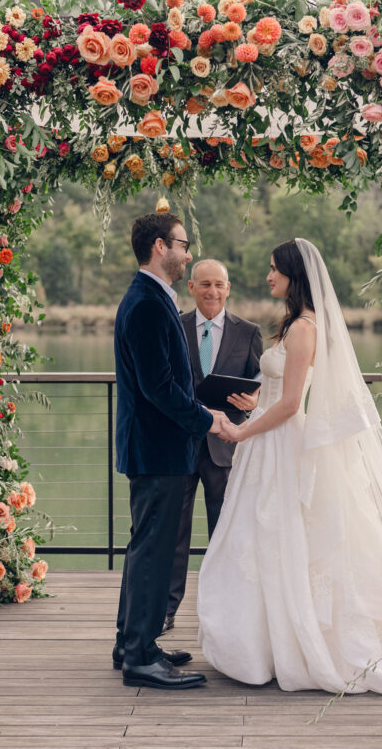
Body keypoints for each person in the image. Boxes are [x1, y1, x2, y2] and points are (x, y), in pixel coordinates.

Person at [197, 238, 382, 694]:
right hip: (269, 439)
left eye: (275, 270)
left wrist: (240, 430)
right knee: (259, 542)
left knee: (283, 539)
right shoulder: (297, 324)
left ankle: (291, 645)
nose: (268, 276)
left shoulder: (303, 328)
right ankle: (264, 644)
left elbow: (293, 404)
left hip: (279, 444)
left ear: (294, 276)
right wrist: (255, 402)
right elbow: (280, 394)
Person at [112, 212, 230, 690]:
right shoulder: (145, 304)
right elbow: (159, 387)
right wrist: (207, 419)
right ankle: (139, 657)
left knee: (147, 550)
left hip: (158, 448)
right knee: (153, 553)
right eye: (183, 244)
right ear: (161, 246)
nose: (188, 253)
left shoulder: (153, 298)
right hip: (157, 449)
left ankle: (132, 643)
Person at [165, 260, 263, 632]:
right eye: (204, 284)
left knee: (227, 532)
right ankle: (167, 611)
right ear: (191, 287)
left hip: (226, 446)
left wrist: (253, 403)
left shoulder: (249, 332)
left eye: (219, 284)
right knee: (175, 533)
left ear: (228, 287)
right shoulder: (175, 324)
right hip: (181, 443)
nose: (212, 291)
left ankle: (229, 612)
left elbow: (259, 384)